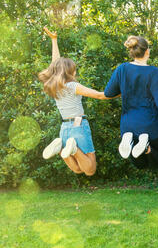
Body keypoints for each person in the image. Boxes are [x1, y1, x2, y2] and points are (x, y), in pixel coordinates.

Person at [39, 27, 111, 176]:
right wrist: (122, 91)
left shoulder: (55, 86)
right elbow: (99, 95)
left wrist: (54, 40)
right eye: (74, 70)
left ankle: (61, 148)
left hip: (65, 128)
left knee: (78, 169)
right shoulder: (73, 86)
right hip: (79, 126)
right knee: (90, 170)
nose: (75, 72)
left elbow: (56, 64)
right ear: (69, 72)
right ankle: (72, 148)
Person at [104, 36, 158, 170]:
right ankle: (146, 147)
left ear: (132, 51)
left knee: (139, 165)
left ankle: (132, 142)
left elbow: (108, 93)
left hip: (128, 126)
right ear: (147, 52)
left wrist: (125, 87)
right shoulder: (154, 72)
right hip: (150, 126)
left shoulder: (122, 69)